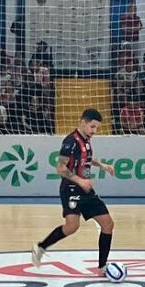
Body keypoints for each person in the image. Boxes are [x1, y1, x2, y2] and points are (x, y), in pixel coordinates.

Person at [31, 109, 116, 275]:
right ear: (83, 123)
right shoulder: (70, 141)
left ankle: (102, 267)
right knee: (72, 226)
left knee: (108, 224)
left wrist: (102, 165)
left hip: (86, 190)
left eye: (97, 128)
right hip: (70, 188)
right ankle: (41, 247)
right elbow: (60, 167)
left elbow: (86, 159)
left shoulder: (87, 140)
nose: (94, 131)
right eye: (92, 127)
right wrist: (80, 181)